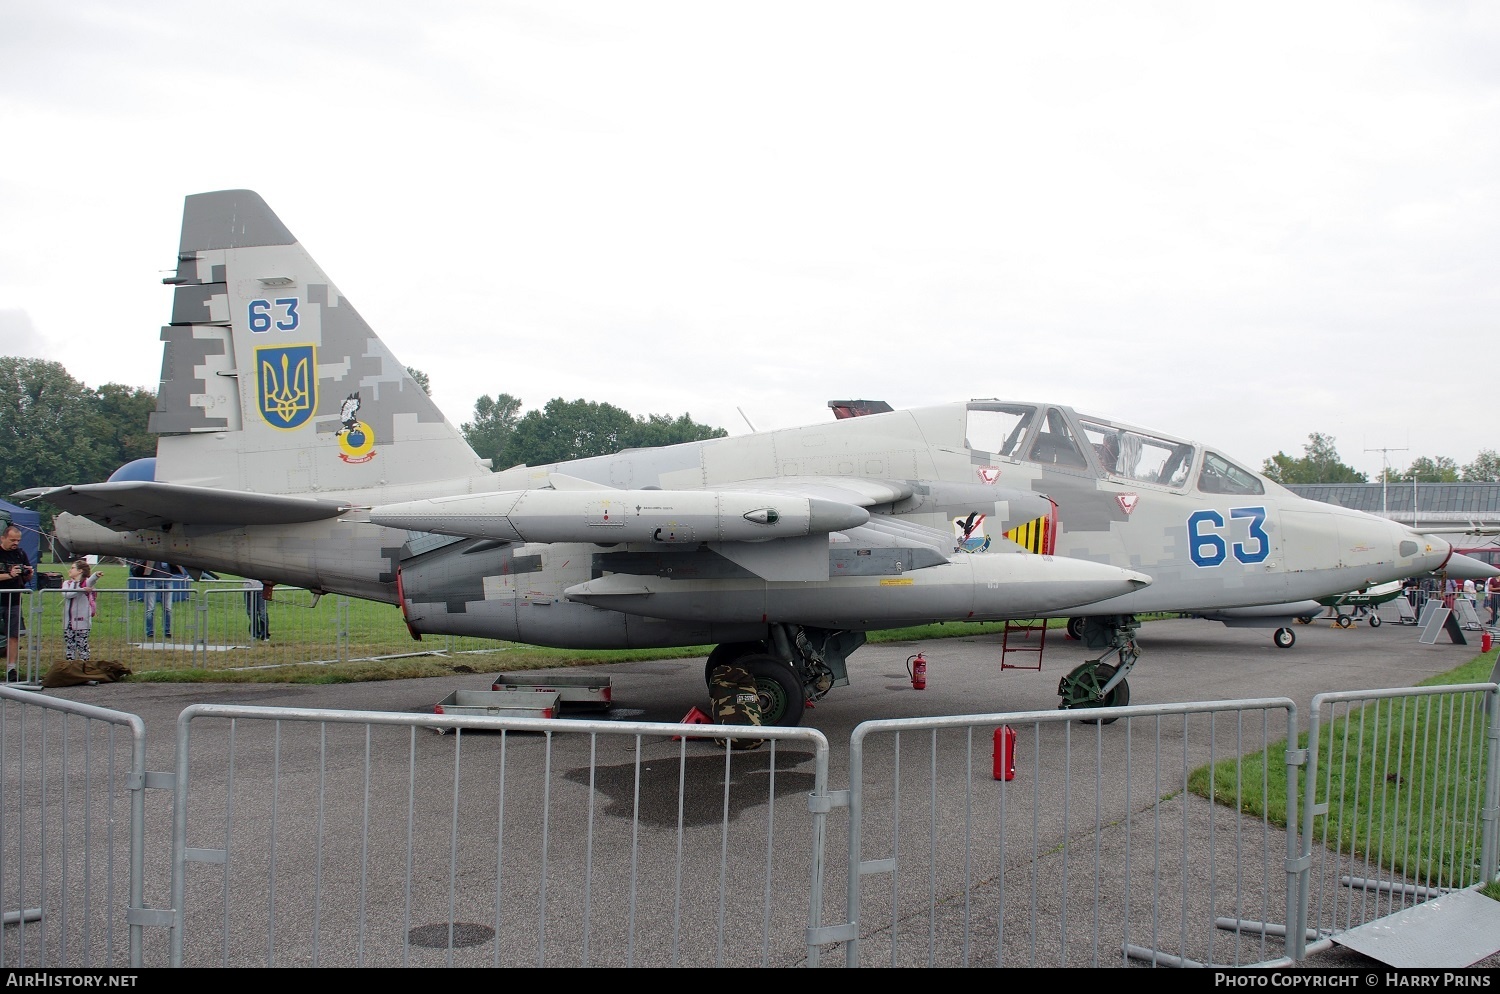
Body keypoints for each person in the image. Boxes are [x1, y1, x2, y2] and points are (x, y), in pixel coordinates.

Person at [0, 525, 32, 680]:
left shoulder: (20, 553)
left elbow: (26, 577)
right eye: (12, 540)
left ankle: (11, 669)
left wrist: (28, 574)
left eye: (18, 540)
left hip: (14, 599)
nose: (15, 543)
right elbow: (9, 575)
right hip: (1, 597)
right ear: (3, 538)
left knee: (14, 635)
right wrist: (9, 574)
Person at [61, 559, 100, 661]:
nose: (70, 570)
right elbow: (68, 594)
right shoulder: (67, 583)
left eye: (73, 568)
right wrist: (80, 588)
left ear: (80, 571)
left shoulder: (86, 583)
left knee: (82, 646)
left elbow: (91, 580)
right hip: (68, 623)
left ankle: (84, 668)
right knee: (70, 647)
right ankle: (70, 668)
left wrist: (96, 575)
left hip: (82, 623)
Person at [131, 559, 176, 640]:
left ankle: (167, 631)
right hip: (151, 581)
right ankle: (150, 632)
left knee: (168, 608)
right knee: (150, 609)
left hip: (168, 581)